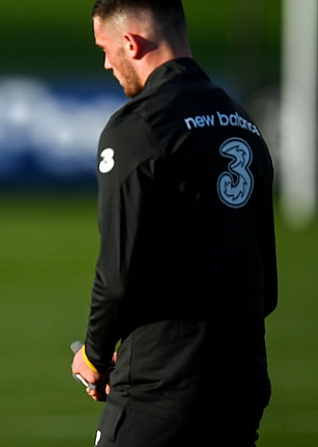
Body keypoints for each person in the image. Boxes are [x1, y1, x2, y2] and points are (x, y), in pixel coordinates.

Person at [70, 1, 277, 446]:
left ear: (131, 42)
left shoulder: (139, 126)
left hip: (161, 388)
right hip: (241, 382)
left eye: (105, 48)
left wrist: (94, 354)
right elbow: (266, 284)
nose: (106, 63)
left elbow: (118, 275)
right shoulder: (244, 124)